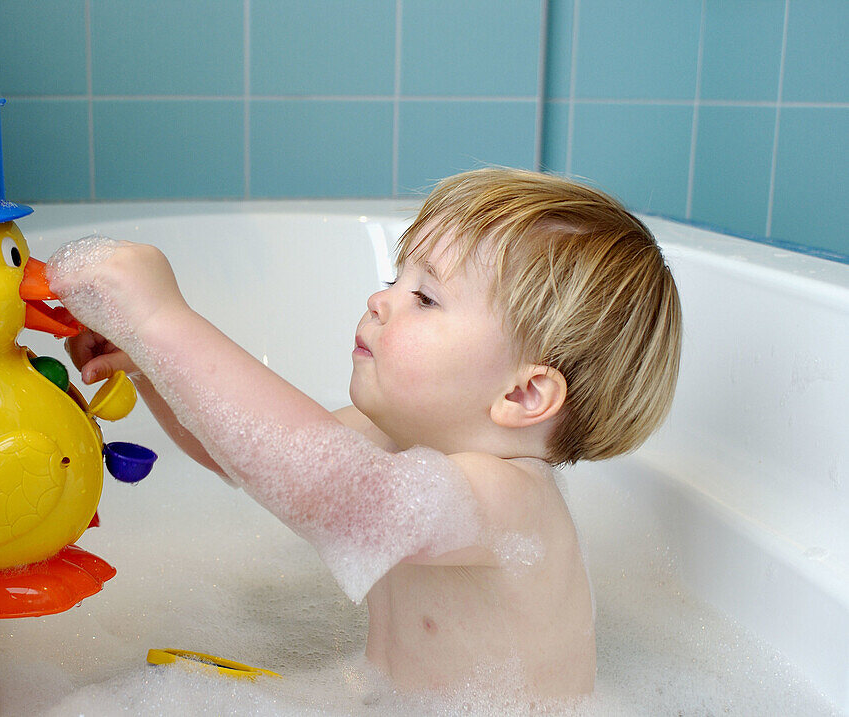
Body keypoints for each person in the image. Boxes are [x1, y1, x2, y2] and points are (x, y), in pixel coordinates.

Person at [50, 167, 682, 700]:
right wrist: (157, 363)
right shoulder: (402, 441)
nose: (381, 301)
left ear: (522, 394)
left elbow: (331, 489)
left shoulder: (510, 500)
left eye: (425, 298)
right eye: (392, 281)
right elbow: (254, 456)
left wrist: (164, 321)